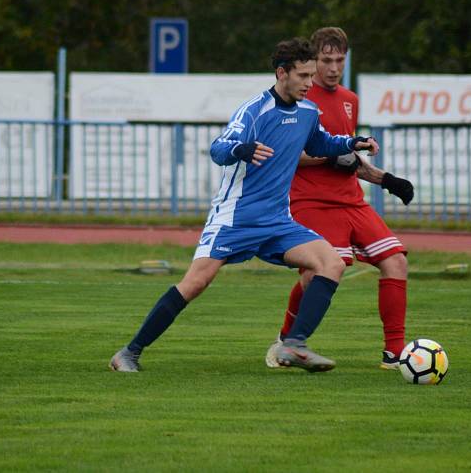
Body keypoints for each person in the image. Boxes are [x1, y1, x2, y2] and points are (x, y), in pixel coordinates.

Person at [110, 37, 376, 373]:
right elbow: (219, 148)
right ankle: (129, 353)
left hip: (278, 221)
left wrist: (353, 142)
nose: (311, 83)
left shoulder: (308, 111)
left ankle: (293, 345)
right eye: (304, 76)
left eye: (312, 75)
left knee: (331, 263)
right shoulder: (254, 111)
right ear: (282, 73)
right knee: (195, 284)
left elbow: (320, 141)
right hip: (236, 218)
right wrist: (242, 149)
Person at [265, 27, 415, 371]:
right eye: (325, 60)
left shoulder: (350, 100)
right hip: (311, 200)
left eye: (339, 60)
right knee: (319, 271)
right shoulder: (300, 96)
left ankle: (394, 355)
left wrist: (386, 180)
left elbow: (346, 153)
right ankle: (286, 341)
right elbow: (291, 153)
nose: (333, 68)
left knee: (396, 262)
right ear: (312, 62)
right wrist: (330, 157)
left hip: (352, 201)